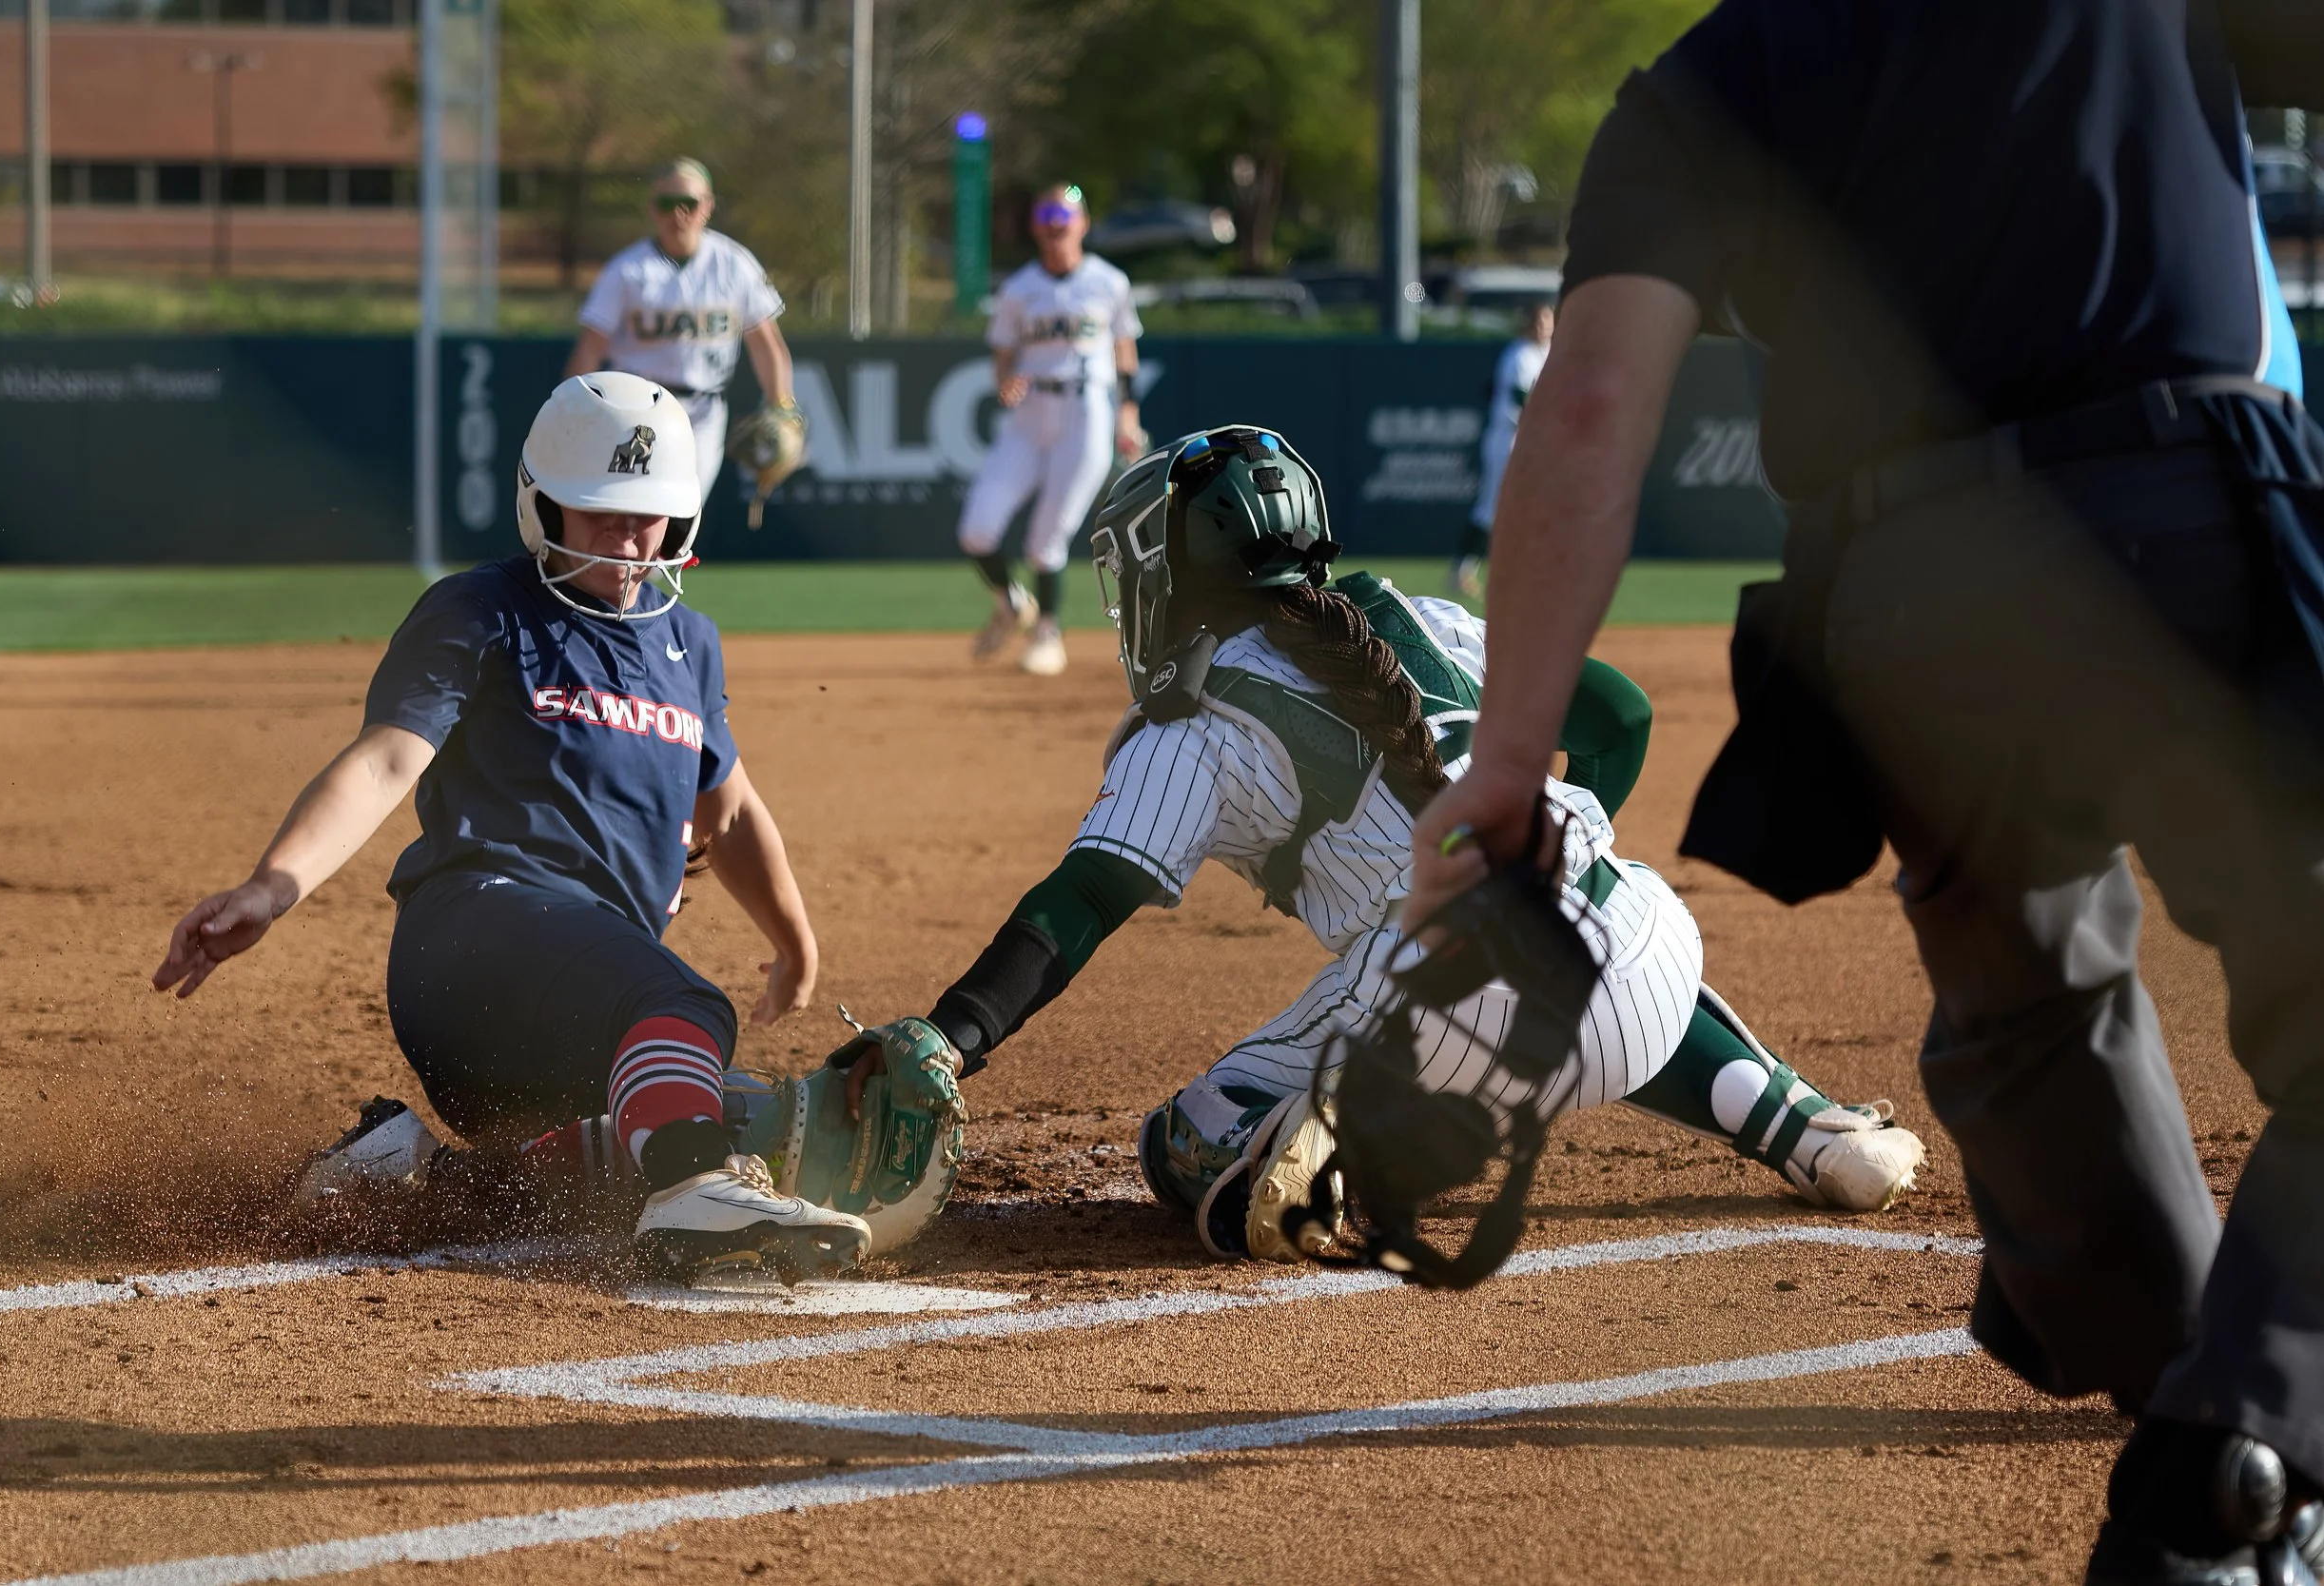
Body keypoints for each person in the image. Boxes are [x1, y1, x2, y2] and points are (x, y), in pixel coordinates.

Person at [1404, 4, 2324, 1580]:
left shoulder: (1700, 86)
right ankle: (2235, 1457)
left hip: (1898, 598)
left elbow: (1588, 414)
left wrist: (1506, 762)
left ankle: (2186, 1387)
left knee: (2032, 1005)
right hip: (2178, 515)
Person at [871, 425, 1922, 1262]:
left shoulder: (1190, 725)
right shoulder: (1418, 617)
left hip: (1448, 1003)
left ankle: (1329, 1175)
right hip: (1649, 948)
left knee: (1180, 1138)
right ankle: (1804, 1124)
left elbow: (1082, 901)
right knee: (1583, 921)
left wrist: (953, 1033)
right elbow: (1618, 717)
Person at [150, 374, 870, 1282]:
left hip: (568, 1003)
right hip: (472, 939)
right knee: (686, 1007)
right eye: (599, 510)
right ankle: (694, 1194)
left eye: (647, 513)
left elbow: (725, 808)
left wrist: (794, 942)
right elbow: (384, 761)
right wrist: (270, 885)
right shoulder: (483, 607)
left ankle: (416, 1166)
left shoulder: (689, 641)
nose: (626, 535)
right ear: (543, 506)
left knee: (729, 1110)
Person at [957, 183, 1145, 676]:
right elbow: (1003, 360)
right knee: (977, 530)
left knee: (1045, 541)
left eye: (1065, 221)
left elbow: (1125, 350)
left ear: (1083, 224)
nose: (1057, 232)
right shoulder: (1019, 289)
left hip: (1087, 412)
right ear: (1038, 230)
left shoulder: (1109, 282)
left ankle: (1048, 633)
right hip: (1029, 415)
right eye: (1049, 223)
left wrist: (1129, 411)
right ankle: (1012, 602)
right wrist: (1006, 384)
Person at [567, 159, 800, 517]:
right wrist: (572, 408)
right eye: (665, 204)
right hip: (636, 408)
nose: (678, 213)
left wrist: (781, 404)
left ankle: (650, 574)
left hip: (704, 412)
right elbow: (590, 348)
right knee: (635, 510)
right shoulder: (627, 270)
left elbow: (766, 343)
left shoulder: (733, 264)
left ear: (707, 206)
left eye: (689, 204)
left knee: (680, 512)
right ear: (651, 209)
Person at [1450, 301, 1554, 601]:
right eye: (1537, 322)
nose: (1542, 327)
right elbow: (1518, 401)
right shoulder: (1519, 355)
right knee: (1492, 509)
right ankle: (1462, 569)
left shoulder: (1546, 354)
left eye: (1547, 321)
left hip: (1531, 441)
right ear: (1526, 325)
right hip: (1508, 439)